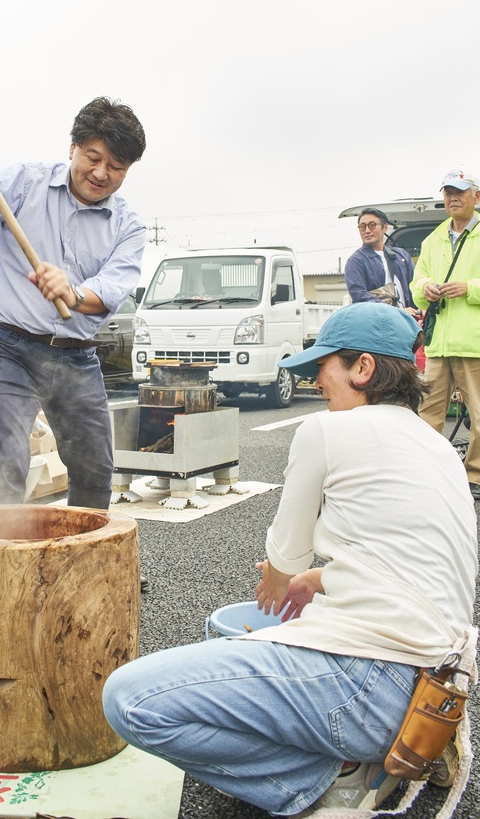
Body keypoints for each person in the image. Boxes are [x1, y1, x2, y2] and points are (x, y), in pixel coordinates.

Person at [103, 302, 477, 817]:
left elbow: (282, 557)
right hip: (433, 689)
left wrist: (281, 581)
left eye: (325, 368)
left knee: (129, 699)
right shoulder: (437, 448)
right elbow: (409, 560)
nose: (316, 383)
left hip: (367, 687)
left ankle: (328, 779)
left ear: (363, 368)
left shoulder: (329, 431)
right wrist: (318, 579)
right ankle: (382, 753)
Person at [0, 96, 146, 510]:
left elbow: (110, 290)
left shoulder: (128, 226)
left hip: (76, 357)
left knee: (95, 471)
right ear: (72, 148)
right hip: (8, 347)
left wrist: (73, 293)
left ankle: (82, 567)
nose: (101, 173)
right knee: (7, 466)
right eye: (93, 157)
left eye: (116, 167)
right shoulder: (27, 183)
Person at [410, 167, 480, 500]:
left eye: (460, 192)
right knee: (427, 412)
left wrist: (468, 288)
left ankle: (474, 476)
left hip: (474, 342)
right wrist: (426, 288)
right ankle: (427, 470)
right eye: (448, 192)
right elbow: (416, 283)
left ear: (475, 196)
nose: (453, 197)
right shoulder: (433, 238)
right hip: (439, 344)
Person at [344, 207, 416, 311]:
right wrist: (396, 311)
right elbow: (360, 296)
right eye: (362, 227)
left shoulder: (401, 255)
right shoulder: (356, 261)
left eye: (372, 225)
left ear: (385, 227)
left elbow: (416, 284)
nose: (367, 231)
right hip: (378, 323)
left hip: (407, 321)